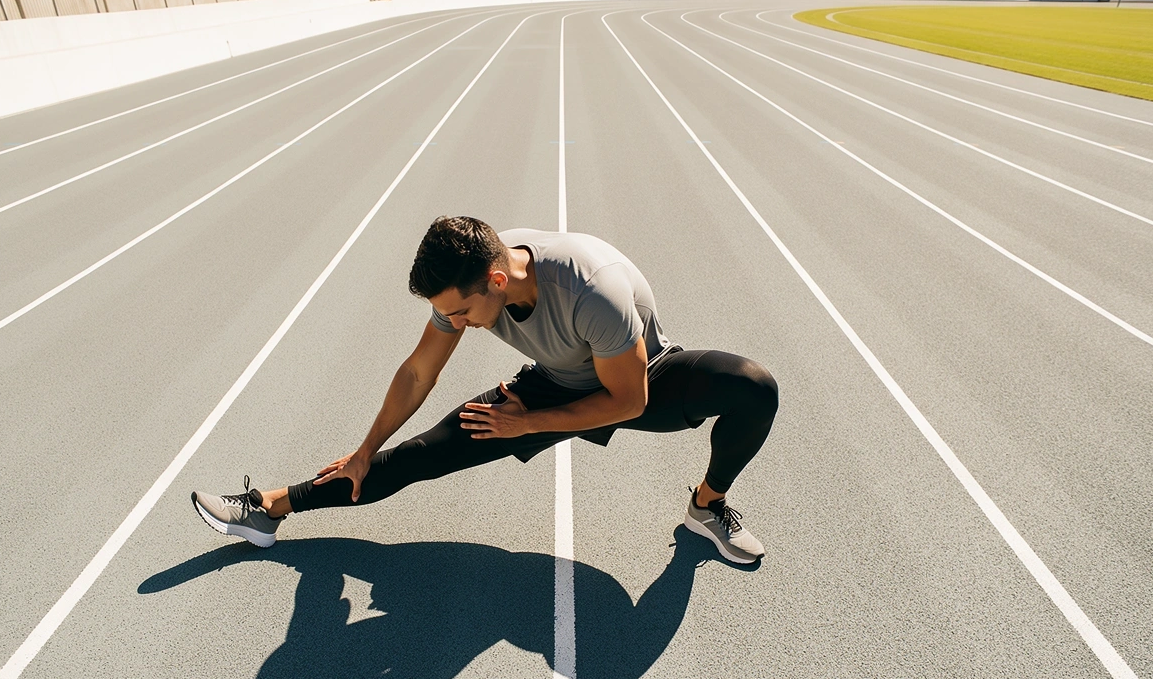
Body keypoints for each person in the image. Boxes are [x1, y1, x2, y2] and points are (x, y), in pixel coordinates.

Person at [192, 216, 778, 564]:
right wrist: (366, 448)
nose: (458, 323)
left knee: (753, 387)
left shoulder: (593, 291)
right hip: (551, 384)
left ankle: (706, 505)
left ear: (497, 280)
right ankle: (270, 508)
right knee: (419, 456)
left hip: (638, 377)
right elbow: (419, 371)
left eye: (464, 312)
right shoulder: (472, 278)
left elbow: (629, 403)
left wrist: (526, 424)